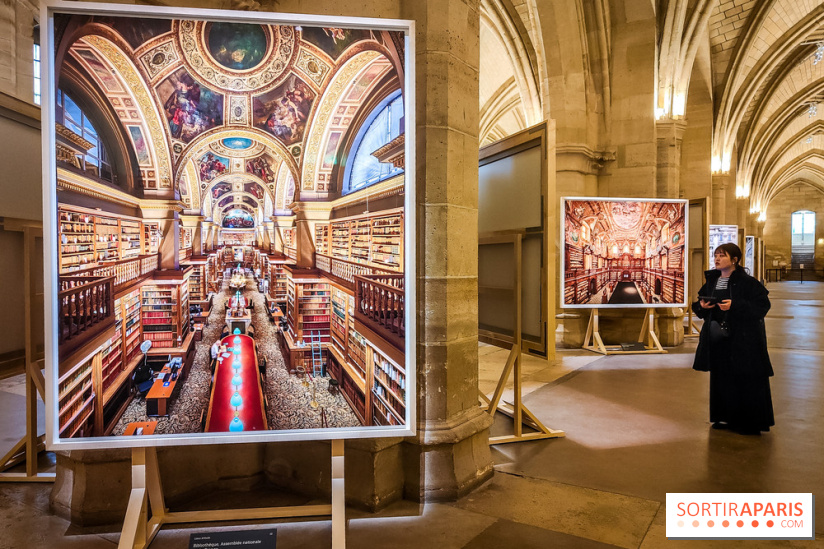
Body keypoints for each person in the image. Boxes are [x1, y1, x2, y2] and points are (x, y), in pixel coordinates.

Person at [692, 243, 774, 435]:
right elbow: (699, 306)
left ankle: (749, 422)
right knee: (723, 378)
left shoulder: (748, 282)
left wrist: (735, 306)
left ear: (735, 259)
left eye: (722, 255)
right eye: (716, 255)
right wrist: (703, 306)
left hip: (743, 340)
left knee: (745, 379)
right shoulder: (713, 280)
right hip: (719, 339)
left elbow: (762, 306)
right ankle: (726, 417)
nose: (717, 259)